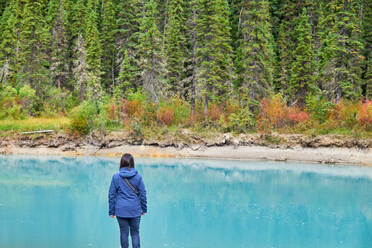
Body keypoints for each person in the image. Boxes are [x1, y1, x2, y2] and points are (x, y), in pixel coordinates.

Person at [108, 153, 147, 248]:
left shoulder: (116, 177)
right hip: (135, 209)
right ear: (132, 163)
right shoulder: (138, 177)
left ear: (121, 163)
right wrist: (144, 209)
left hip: (121, 210)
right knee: (135, 233)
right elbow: (143, 194)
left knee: (123, 233)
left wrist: (111, 211)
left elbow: (111, 195)